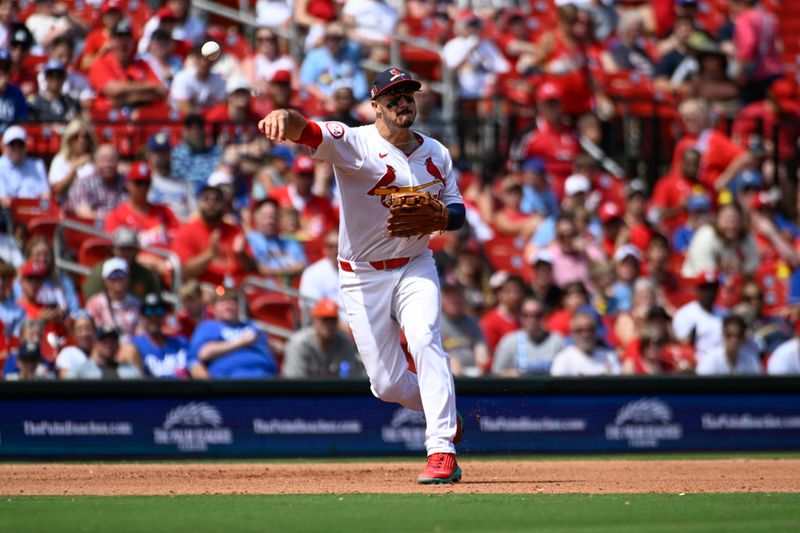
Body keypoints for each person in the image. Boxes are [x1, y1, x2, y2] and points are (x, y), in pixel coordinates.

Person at [259, 67, 466, 484]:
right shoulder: (354, 142)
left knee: (425, 338)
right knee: (387, 384)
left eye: (409, 94)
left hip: (415, 264)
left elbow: (458, 210)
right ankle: (441, 409)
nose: (403, 102)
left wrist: (443, 215)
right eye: (393, 97)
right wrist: (285, 114)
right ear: (375, 107)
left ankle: (441, 448)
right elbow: (308, 131)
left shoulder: (437, 153)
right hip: (362, 275)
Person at [171, 183, 257, 285]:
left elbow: (252, 268)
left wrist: (241, 254)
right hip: (204, 290)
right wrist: (210, 253)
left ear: (224, 204)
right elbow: (184, 273)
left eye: (217, 200)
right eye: (206, 199)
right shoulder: (186, 232)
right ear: (199, 203)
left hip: (237, 289)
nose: (211, 202)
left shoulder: (236, 231)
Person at [188, 285, 277, 378]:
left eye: (233, 302)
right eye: (223, 302)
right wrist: (240, 342)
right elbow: (202, 354)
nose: (229, 306)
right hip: (232, 381)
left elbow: (274, 348)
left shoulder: (251, 325)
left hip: (267, 377)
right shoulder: (207, 327)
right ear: (214, 308)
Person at [281, 298, 362, 378]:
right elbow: (294, 383)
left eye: (333, 319)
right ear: (314, 320)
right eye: (325, 319)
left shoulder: (344, 342)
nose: (329, 324)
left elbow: (350, 378)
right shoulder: (299, 343)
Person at [118, 293, 189, 379]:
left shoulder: (180, 343)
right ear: (142, 316)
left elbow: (196, 369)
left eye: (158, 310)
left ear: (164, 315)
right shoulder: (134, 346)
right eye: (148, 311)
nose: (154, 317)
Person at [82, 226, 162, 301]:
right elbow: (91, 298)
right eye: (122, 249)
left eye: (130, 249)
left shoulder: (146, 275)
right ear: (113, 249)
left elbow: (154, 301)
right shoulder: (101, 271)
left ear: (135, 251)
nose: (126, 253)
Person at [493, 298, 566, 376]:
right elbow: (495, 373)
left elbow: (567, 371)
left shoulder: (557, 340)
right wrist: (509, 374)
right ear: (520, 317)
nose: (532, 319)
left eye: (537, 315)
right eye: (526, 315)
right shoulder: (509, 342)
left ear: (544, 316)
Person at [247, 198, 307, 282]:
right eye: (266, 217)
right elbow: (259, 269)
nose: (270, 221)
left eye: (273, 216)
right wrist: (290, 270)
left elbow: (303, 266)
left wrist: (273, 271)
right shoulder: (250, 240)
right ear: (256, 218)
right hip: (263, 291)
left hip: (291, 291)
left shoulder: (290, 242)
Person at [84, 257, 141, 342]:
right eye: (113, 276)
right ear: (105, 280)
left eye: (122, 275)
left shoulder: (136, 303)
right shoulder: (94, 304)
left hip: (131, 349)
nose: (117, 279)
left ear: (128, 278)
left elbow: (141, 332)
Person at [550, 309, 621, 376]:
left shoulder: (609, 357)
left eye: (590, 329)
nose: (586, 335)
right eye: (579, 330)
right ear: (572, 333)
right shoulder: (563, 359)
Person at [440, 282, 489, 376]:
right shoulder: (436, 324)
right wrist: (448, 362)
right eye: (449, 296)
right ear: (441, 299)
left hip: (474, 375)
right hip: (447, 375)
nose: (454, 300)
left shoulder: (472, 322)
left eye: (458, 295)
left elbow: (480, 347)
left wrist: (482, 362)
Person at [67, 143, 126, 220]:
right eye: (103, 160)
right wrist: (113, 222)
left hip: (127, 227)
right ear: (95, 163)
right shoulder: (83, 184)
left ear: (118, 163)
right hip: (95, 229)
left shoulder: (127, 182)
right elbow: (85, 214)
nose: (107, 164)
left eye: (112, 160)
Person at [47, 118, 97, 204]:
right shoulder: (60, 160)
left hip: (91, 206)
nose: (82, 140)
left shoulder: (95, 160)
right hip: (66, 207)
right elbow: (56, 189)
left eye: (86, 137)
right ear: (69, 139)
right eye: (76, 136)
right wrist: (74, 169)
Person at [0, 124, 48, 207]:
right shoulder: (1, 166)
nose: (17, 149)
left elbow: (46, 196)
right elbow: (4, 201)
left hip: (36, 213)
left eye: (20, 144)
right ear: (4, 147)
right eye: (12, 145)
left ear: (26, 146)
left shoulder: (37, 165)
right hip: (9, 216)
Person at [696, 314, 762, 375]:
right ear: (723, 335)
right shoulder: (710, 360)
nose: (734, 340)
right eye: (729, 335)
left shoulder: (750, 361)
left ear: (744, 338)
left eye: (739, 335)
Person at [70, 324, 142, 379]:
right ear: (96, 343)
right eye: (104, 340)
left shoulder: (131, 371)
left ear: (118, 344)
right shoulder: (81, 370)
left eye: (113, 340)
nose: (109, 344)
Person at [54, 311, 96, 379]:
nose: (84, 334)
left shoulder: (103, 353)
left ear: (94, 331)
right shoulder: (68, 353)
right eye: (79, 330)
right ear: (73, 334)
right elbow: (65, 377)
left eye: (88, 328)